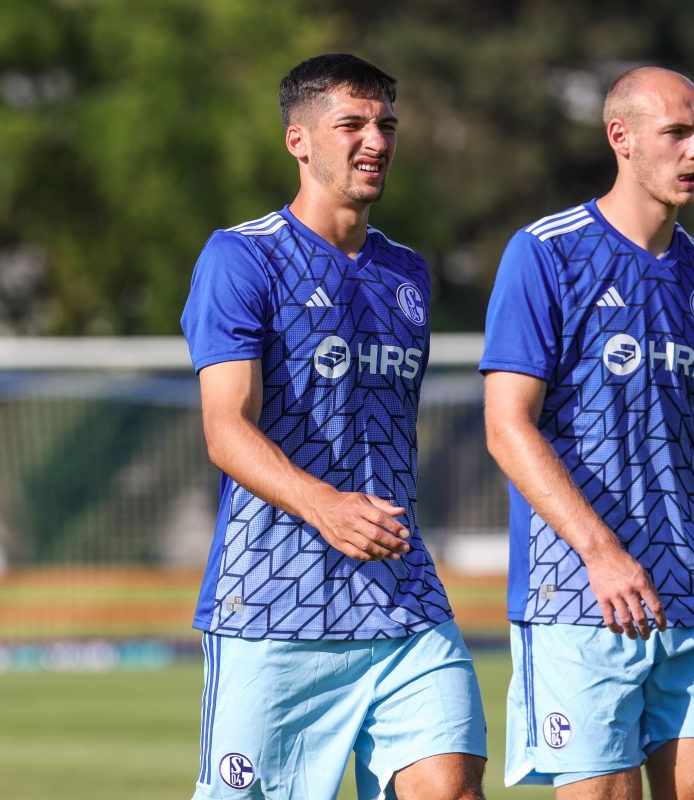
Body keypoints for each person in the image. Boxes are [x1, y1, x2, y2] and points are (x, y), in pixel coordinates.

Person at [180, 53, 486, 800]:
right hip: (275, 604)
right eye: (352, 124)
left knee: (452, 788)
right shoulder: (241, 258)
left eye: (387, 125)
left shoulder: (407, 273)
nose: (376, 141)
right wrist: (327, 506)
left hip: (404, 598)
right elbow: (226, 429)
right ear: (300, 140)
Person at [480, 67, 694, 799]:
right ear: (621, 137)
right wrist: (602, 554)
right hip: (580, 595)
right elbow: (507, 427)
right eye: (677, 133)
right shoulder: (545, 253)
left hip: (693, 595)